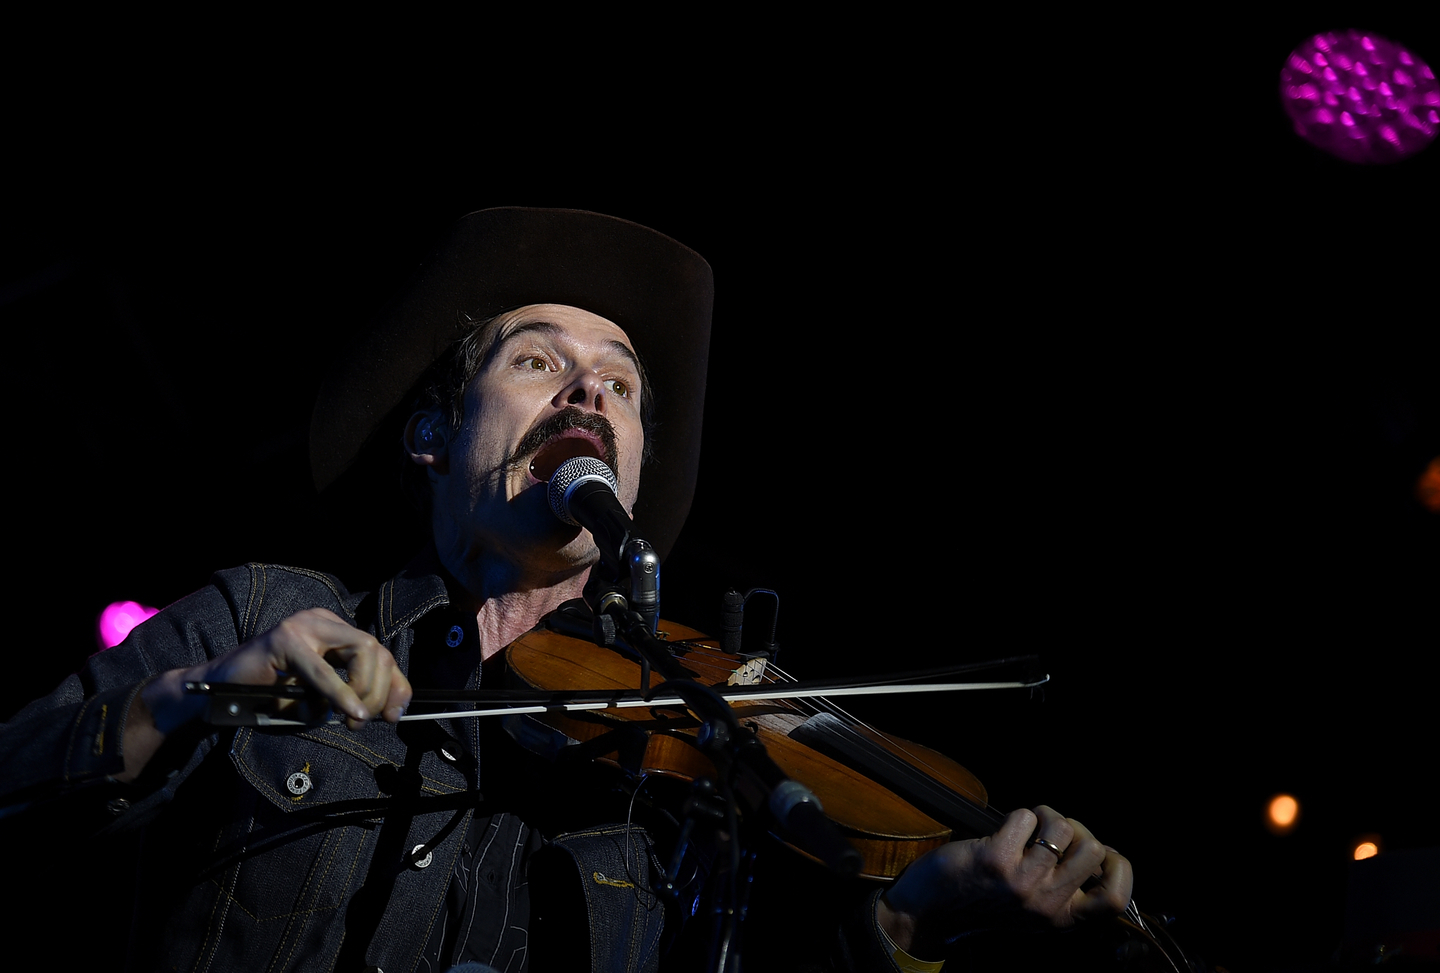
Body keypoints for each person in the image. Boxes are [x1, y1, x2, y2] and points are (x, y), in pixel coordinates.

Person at [0, 208, 1132, 972]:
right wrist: (202, 694)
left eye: (622, 386)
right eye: (539, 359)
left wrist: (908, 914)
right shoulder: (267, 612)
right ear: (436, 438)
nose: (590, 389)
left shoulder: (679, 754)